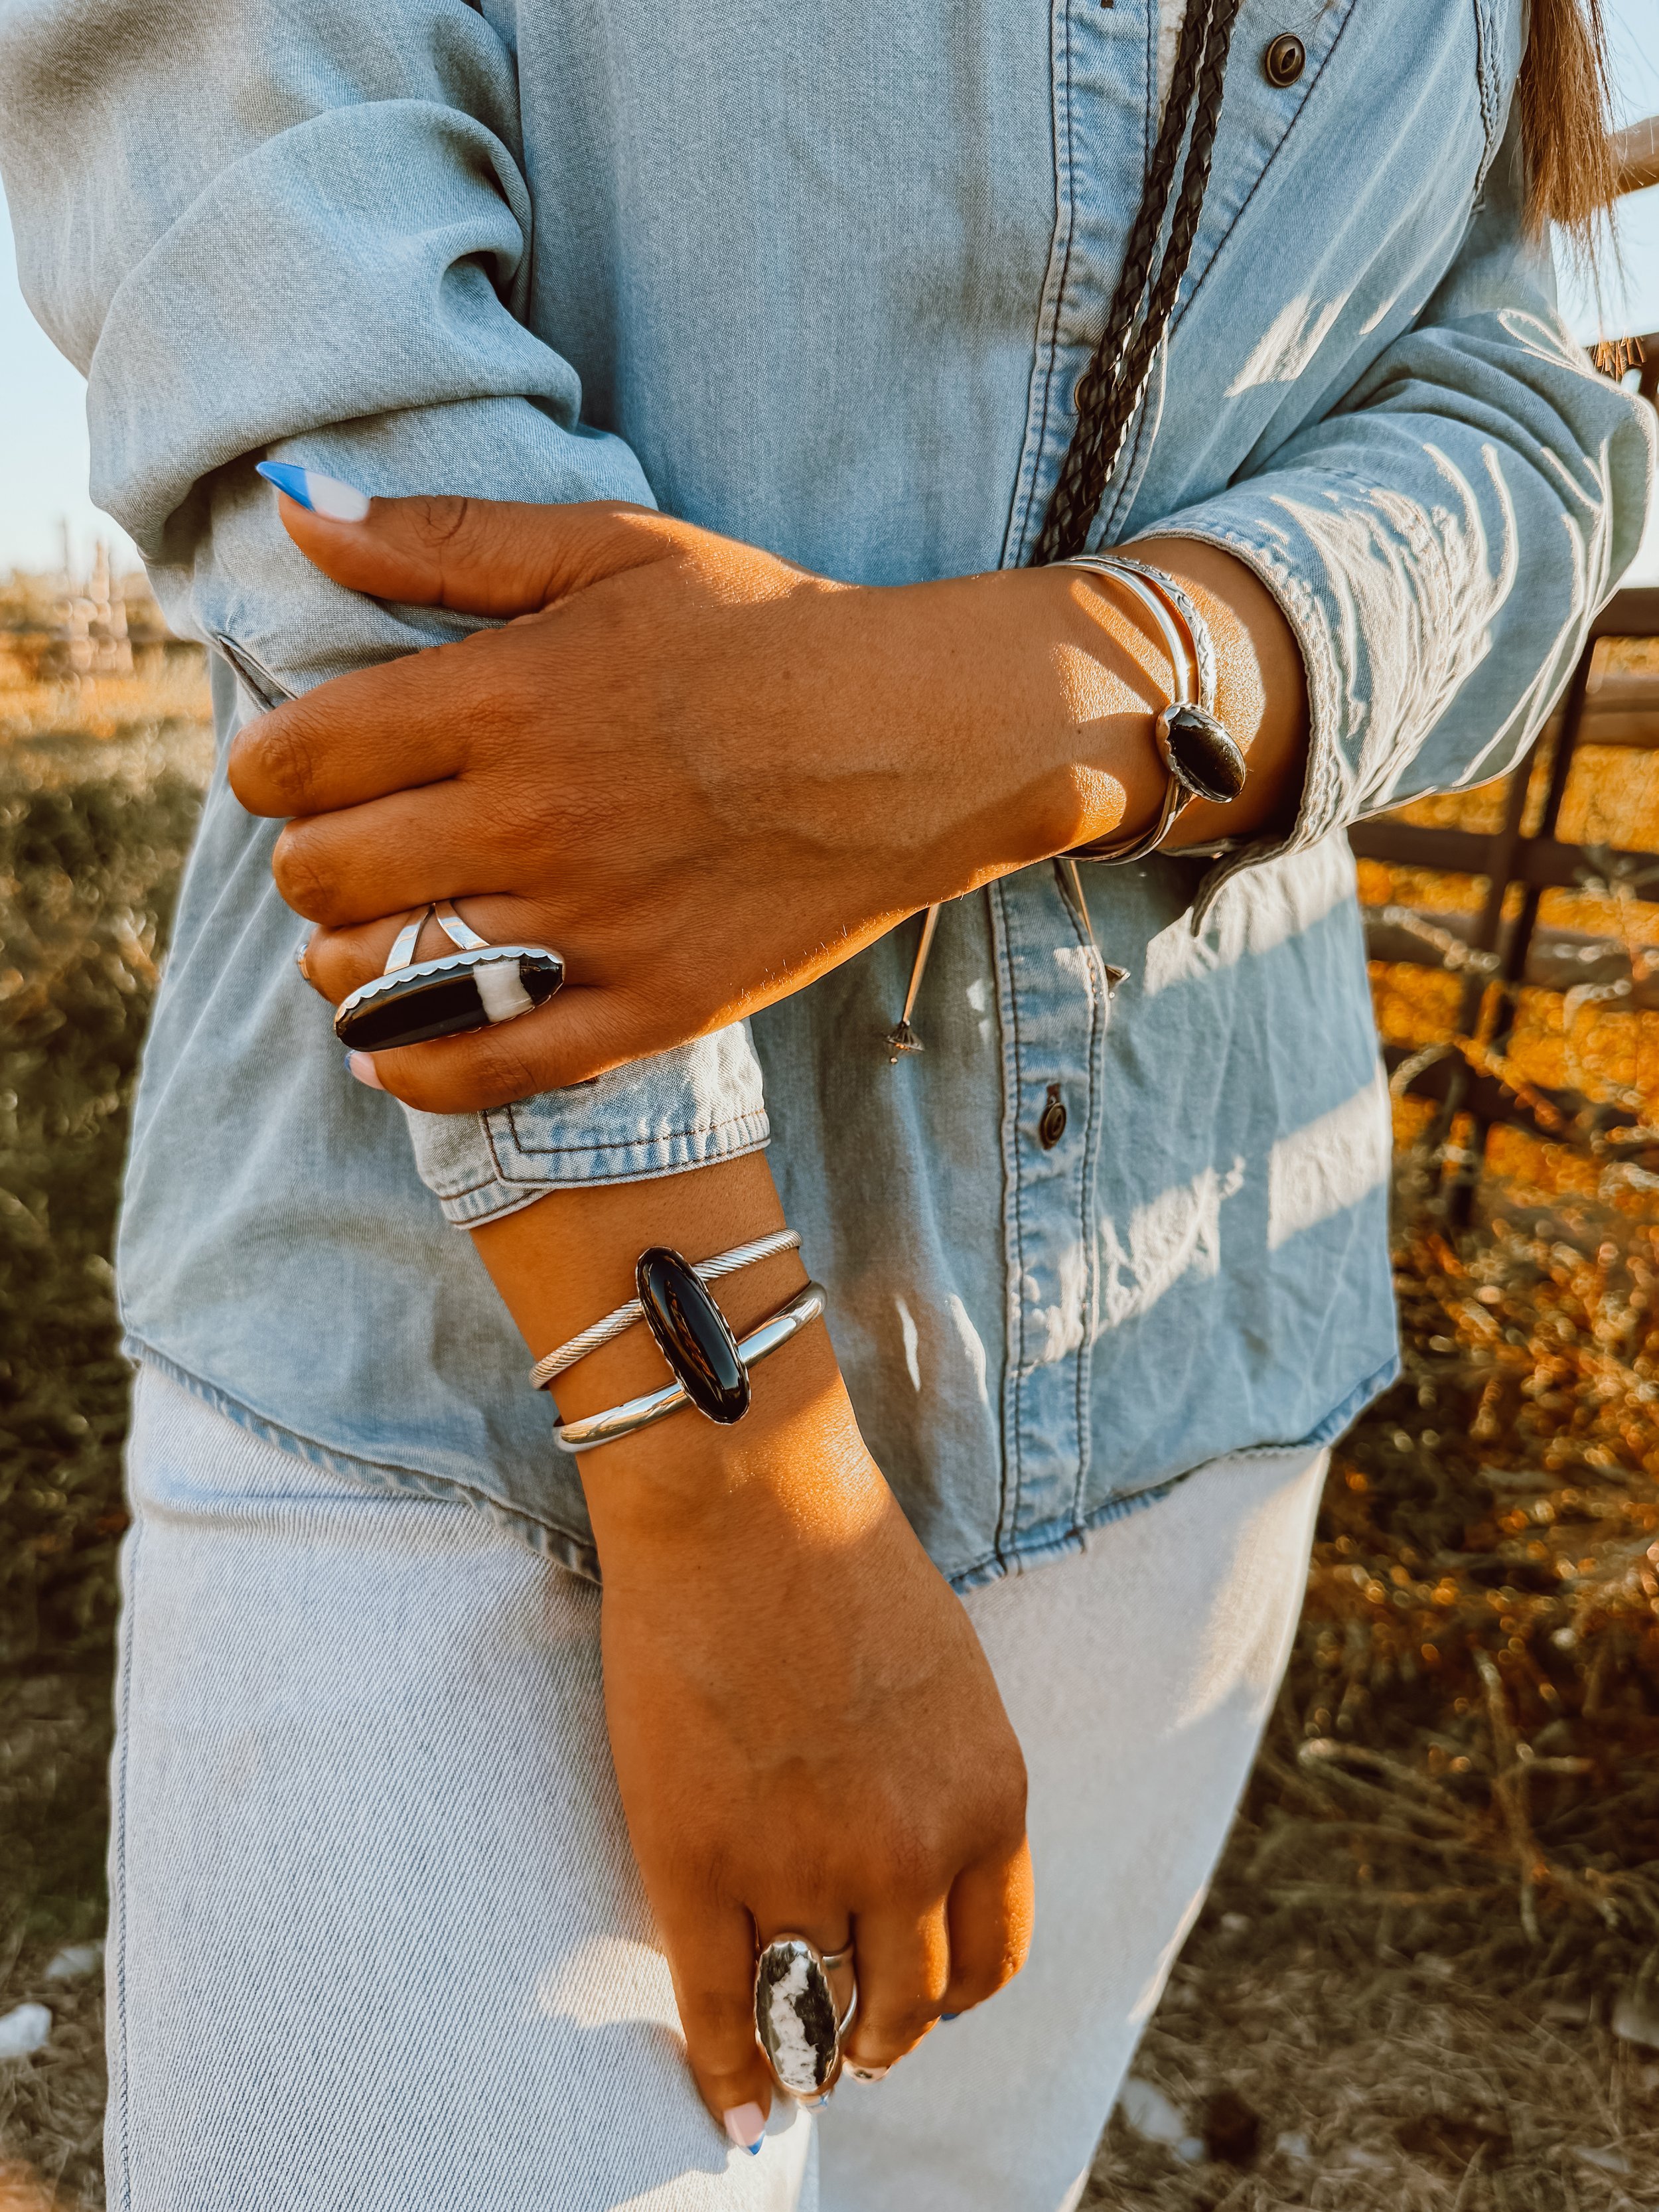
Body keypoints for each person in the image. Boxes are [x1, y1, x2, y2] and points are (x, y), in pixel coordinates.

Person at [0, 0, 1652, 2205]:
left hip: (1174, 1389)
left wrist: (1042, 704)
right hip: (461, 1387)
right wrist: (730, 1457)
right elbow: (324, 365)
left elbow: (1519, 426)